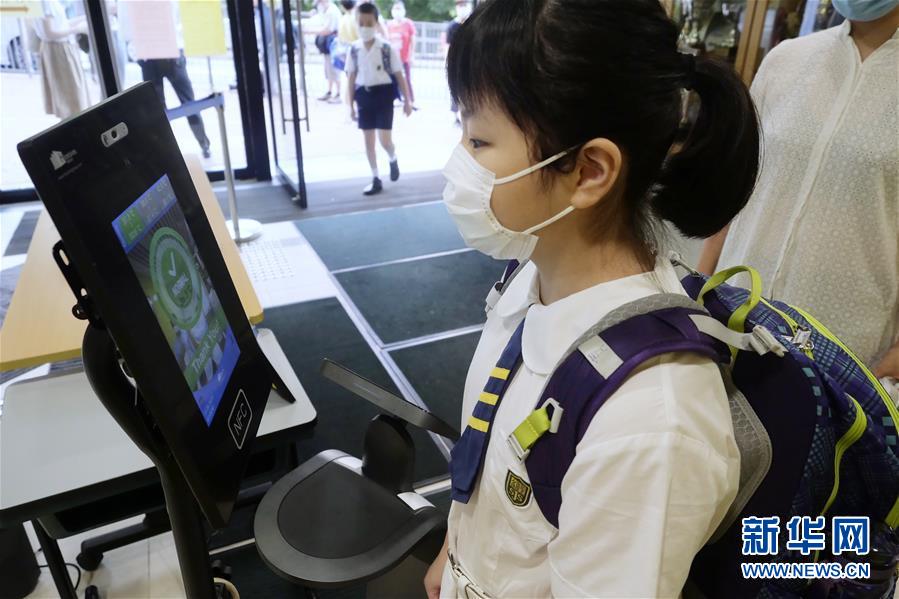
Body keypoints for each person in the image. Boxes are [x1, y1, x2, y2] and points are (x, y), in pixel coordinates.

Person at [423, 0, 761, 596]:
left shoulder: (651, 416)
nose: (458, 162)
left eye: (478, 139)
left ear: (589, 171)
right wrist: (456, 553)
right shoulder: (532, 275)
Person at [698, 0, 899, 381]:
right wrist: (696, 291)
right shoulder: (786, 61)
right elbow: (737, 185)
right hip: (729, 322)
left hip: (843, 359)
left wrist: (886, 369)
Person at [346, 3, 413, 196]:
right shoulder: (354, 49)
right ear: (356, 23)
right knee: (368, 141)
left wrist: (407, 101)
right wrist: (349, 105)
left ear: (376, 24)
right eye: (361, 23)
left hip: (384, 95)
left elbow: (400, 75)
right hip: (363, 96)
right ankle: (375, 178)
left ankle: (392, 157)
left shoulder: (386, 48)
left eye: (369, 23)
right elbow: (350, 78)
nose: (365, 27)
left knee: (385, 140)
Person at [31, 0, 91, 120]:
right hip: (59, 49)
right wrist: (77, 29)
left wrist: (82, 19)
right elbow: (50, 32)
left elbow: (60, 24)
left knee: (68, 98)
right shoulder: (45, 2)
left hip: (57, 48)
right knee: (71, 99)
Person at [444, 0, 471, 125]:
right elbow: (447, 45)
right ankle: (455, 115)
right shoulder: (452, 26)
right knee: (455, 88)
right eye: (460, 6)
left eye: (465, 5)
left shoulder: (473, 24)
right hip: (455, 62)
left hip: (470, 62)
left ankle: (467, 114)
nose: (463, 8)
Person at [388, 1, 416, 108]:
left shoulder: (408, 24)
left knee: (407, 79)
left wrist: (411, 55)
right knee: (393, 78)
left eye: (399, 9)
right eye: (395, 9)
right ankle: (396, 98)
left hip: (405, 57)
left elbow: (413, 40)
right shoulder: (389, 25)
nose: (397, 11)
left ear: (403, 10)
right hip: (393, 58)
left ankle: (410, 99)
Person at [313, 0, 342, 102]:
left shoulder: (332, 11)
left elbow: (328, 30)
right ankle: (330, 91)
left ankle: (338, 93)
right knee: (328, 68)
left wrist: (310, 31)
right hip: (327, 45)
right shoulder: (327, 10)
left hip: (332, 43)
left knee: (333, 69)